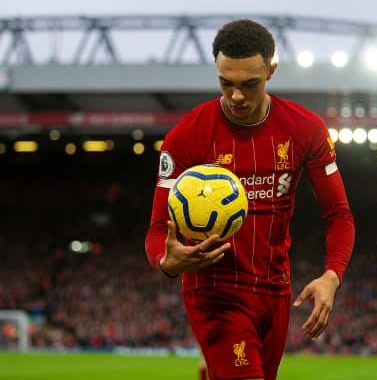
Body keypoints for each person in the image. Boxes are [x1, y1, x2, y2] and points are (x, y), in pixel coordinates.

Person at [145, 19, 355, 380]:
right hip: (215, 292)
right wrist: (167, 262)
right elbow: (156, 230)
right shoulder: (186, 137)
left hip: (275, 292)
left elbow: (339, 215)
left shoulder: (305, 129)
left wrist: (332, 276)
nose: (236, 96)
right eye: (225, 83)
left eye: (249, 84)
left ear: (271, 70)